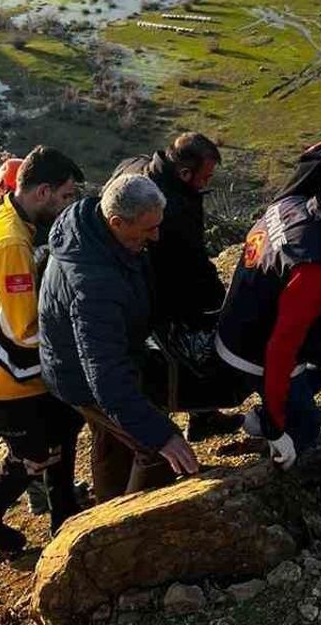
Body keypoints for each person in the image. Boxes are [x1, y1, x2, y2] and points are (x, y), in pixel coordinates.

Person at [0, 145, 86, 552]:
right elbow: (22, 329)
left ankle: (66, 519)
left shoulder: (12, 220)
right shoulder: (10, 241)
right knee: (35, 454)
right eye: (65, 196)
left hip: (17, 369)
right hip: (0, 375)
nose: (68, 206)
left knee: (64, 429)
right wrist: (76, 333)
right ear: (42, 192)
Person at [39, 174, 200, 502]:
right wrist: (163, 436)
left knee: (113, 443)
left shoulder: (94, 229)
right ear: (116, 221)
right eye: (147, 230)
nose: (155, 238)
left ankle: (107, 510)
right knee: (154, 451)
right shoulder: (94, 284)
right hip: (79, 375)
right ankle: (132, 531)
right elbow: (104, 373)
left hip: (86, 361)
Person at [216, 161, 321, 469]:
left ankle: (285, 405)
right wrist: (276, 425)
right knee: (306, 430)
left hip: (238, 320)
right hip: (252, 349)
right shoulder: (312, 269)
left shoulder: (291, 204)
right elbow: (282, 349)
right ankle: (280, 463)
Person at [110, 133, 241, 442]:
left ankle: (201, 417)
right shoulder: (174, 206)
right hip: (158, 293)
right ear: (184, 172)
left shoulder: (136, 167)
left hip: (133, 282)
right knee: (183, 358)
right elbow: (191, 262)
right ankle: (169, 435)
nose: (205, 183)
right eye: (204, 177)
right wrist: (220, 301)